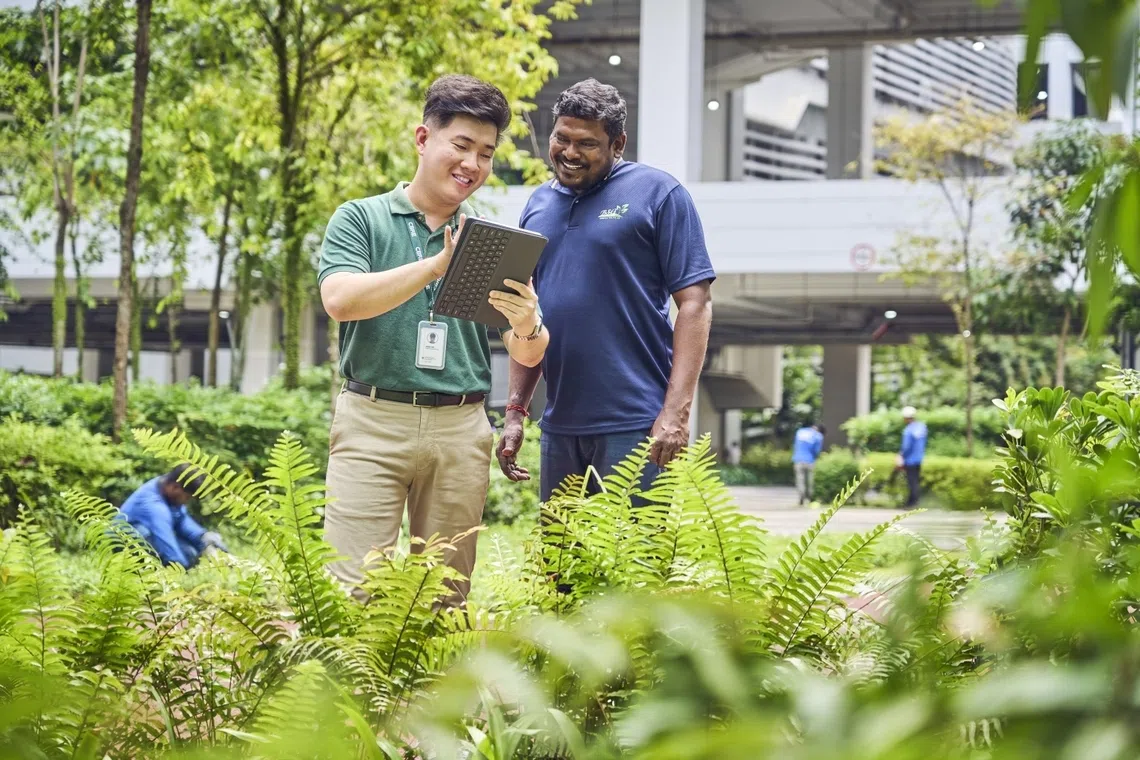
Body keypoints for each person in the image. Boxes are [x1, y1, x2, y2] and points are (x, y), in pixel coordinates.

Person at [318, 74, 548, 605]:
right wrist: (437, 265)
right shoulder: (361, 218)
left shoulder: (490, 240)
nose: (473, 164)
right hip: (372, 420)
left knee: (443, 601)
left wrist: (528, 322)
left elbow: (529, 351)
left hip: (460, 429)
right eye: (462, 146)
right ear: (424, 139)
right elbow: (340, 300)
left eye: (486, 153)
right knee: (350, 594)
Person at [495, 78, 715, 501]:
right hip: (559, 424)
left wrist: (676, 412)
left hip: (638, 423)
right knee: (560, 562)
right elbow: (526, 315)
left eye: (587, 143)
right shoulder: (537, 204)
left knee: (635, 561)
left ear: (618, 144)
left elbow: (695, 304)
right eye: (561, 138)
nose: (570, 153)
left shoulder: (659, 193)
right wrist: (516, 411)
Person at [113, 464, 227, 568]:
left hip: (149, 533)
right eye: (187, 497)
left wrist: (204, 538)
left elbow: (181, 520)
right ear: (174, 488)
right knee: (145, 536)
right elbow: (168, 548)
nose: (186, 502)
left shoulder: (165, 486)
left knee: (190, 552)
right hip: (118, 542)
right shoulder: (155, 507)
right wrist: (182, 571)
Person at [897, 406, 928, 508]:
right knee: (916, 481)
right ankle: (913, 502)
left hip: (909, 460)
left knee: (911, 482)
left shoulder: (908, 430)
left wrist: (901, 456)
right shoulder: (922, 427)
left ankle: (912, 503)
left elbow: (906, 446)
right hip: (919, 458)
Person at [791, 423, 826, 505]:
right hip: (810, 460)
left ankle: (801, 497)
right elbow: (816, 451)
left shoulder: (800, 432)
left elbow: (796, 445)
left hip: (798, 459)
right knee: (810, 480)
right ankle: (810, 498)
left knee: (800, 480)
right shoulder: (818, 436)